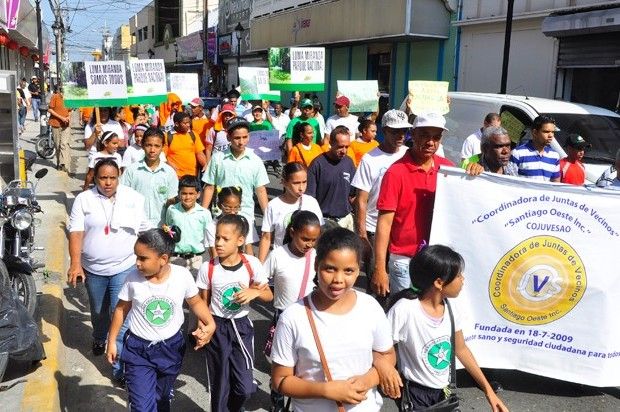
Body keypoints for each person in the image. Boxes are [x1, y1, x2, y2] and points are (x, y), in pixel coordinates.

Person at [271, 227, 399, 412]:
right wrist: (326, 390)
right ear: (317, 265)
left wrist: (367, 380)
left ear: (358, 270)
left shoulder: (370, 307)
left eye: (348, 271)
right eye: (330, 269)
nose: (338, 279)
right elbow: (280, 380)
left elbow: (386, 354)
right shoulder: (293, 317)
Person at [387, 245, 509, 412]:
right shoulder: (405, 310)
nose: (462, 280)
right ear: (439, 282)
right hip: (416, 395)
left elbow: (462, 349)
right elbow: (382, 348)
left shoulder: (451, 308)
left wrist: (489, 391)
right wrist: (386, 368)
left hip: (444, 393)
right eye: (458, 275)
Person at [106, 226, 216, 411]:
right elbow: (120, 310)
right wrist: (112, 341)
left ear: (163, 259)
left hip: (171, 349)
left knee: (162, 398)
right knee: (142, 406)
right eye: (136, 257)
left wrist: (210, 323)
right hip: (137, 350)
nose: (137, 263)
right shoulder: (133, 279)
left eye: (143, 258)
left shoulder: (182, 276)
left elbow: (195, 302)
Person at [373, 112, 483, 297]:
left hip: (437, 260)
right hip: (404, 260)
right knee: (406, 313)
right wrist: (380, 268)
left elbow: (467, 202)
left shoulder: (448, 169)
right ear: (413, 134)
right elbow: (384, 223)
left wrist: (475, 170)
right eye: (424, 135)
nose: (430, 142)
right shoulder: (395, 173)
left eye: (436, 137)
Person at [67, 158, 150, 381]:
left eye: (113, 178)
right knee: (97, 310)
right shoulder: (84, 200)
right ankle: (99, 335)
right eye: (103, 177)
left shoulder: (132, 198)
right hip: (93, 268)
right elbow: (76, 232)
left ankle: (120, 369)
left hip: (124, 266)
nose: (108, 182)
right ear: (95, 177)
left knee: (119, 313)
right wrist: (75, 263)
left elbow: (144, 228)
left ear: (119, 177)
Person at [196, 214, 273, 412]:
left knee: (245, 387)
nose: (219, 243)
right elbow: (202, 303)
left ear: (240, 241)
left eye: (225, 239)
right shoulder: (208, 267)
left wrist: (254, 292)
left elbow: (268, 296)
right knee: (219, 384)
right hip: (217, 327)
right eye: (217, 238)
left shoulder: (252, 264)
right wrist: (203, 328)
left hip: (241, 327)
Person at [263, 210, 321, 410]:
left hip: (310, 317)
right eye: (305, 239)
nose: (309, 244)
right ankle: (277, 404)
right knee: (281, 367)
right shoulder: (278, 255)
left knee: (305, 367)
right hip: (283, 317)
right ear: (292, 231)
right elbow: (261, 281)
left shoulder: (316, 256)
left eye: (314, 240)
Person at [351, 110, 408, 293]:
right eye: (395, 131)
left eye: (404, 131)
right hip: (375, 229)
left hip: (401, 228)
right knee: (378, 284)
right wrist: (362, 236)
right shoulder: (370, 159)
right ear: (384, 130)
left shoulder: (409, 154)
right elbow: (361, 200)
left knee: (402, 284)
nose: (400, 135)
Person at [201, 118, 270, 245]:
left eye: (245, 137)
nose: (241, 142)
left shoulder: (255, 160)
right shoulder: (218, 158)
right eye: (237, 138)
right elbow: (210, 186)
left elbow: (260, 190)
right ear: (228, 137)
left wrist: (267, 216)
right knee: (220, 250)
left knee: (246, 251)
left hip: (246, 213)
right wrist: (202, 214)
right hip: (222, 213)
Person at [258, 162, 324, 262]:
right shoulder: (273, 205)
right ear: (284, 182)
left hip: (307, 261)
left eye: (304, 182)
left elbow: (319, 234)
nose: (301, 188)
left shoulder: (312, 203)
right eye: (296, 183)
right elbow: (266, 238)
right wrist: (260, 268)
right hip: (282, 261)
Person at [121, 128, 178, 227]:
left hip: (161, 227)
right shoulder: (132, 171)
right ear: (143, 145)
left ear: (162, 147)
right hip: (136, 226)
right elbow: (124, 198)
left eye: (157, 146)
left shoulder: (169, 173)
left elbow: (171, 202)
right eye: (148, 145)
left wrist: (169, 224)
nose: (152, 150)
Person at [306, 126, 357, 231]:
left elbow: (353, 194)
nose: (344, 151)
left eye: (347, 147)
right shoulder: (317, 164)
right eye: (340, 146)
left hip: (346, 221)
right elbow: (309, 199)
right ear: (331, 143)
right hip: (324, 222)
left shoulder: (349, 162)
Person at [165, 175, 212, 273]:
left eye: (191, 194)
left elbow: (210, 238)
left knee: (195, 285)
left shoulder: (204, 213)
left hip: (197, 258)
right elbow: (168, 227)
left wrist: (215, 260)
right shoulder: (172, 210)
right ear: (178, 194)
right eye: (184, 193)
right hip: (175, 258)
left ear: (198, 194)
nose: (187, 197)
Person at [206, 187, 259, 257]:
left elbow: (249, 249)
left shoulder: (246, 222)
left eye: (236, 207)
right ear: (219, 205)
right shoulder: (212, 226)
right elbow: (214, 253)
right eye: (228, 208)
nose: (232, 212)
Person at [510, 115, 561, 182]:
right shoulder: (517, 154)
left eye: (552, 132)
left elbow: (555, 183)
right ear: (535, 132)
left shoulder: (554, 156)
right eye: (546, 132)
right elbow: (510, 182)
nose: (551, 135)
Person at [163, 111, 207, 178]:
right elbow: (162, 157)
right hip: (174, 176)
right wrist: (169, 164)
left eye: (189, 122)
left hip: (192, 175)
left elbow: (199, 153)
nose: (188, 125)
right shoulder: (167, 136)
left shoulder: (193, 135)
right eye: (185, 123)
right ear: (177, 124)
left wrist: (205, 165)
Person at [47, 85, 72, 172]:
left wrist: (68, 117)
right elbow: (50, 109)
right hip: (56, 123)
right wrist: (61, 118)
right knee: (57, 145)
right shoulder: (55, 96)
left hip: (66, 124)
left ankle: (64, 164)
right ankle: (59, 163)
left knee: (64, 144)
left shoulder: (69, 98)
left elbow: (70, 110)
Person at [189, 97, 214, 165]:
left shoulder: (209, 120)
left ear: (201, 108)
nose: (192, 109)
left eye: (194, 107)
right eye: (191, 107)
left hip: (206, 151)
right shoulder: (189, 120)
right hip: (194, 151)